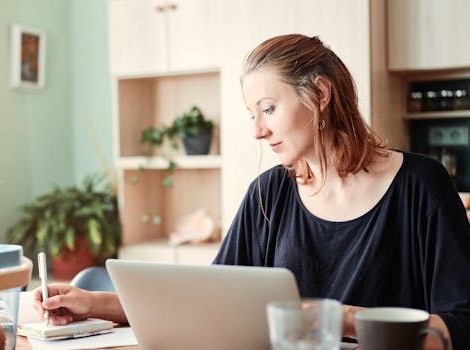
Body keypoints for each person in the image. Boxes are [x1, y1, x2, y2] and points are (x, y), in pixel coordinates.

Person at [33, 34, 470, 349]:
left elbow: (461, 324)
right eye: (251, 114)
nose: (259, 131)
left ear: (319, 94)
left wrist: (343, 318)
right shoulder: (269, 194)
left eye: (269, 109)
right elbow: (206, 302)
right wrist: (93, 303)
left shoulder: (421, 186)